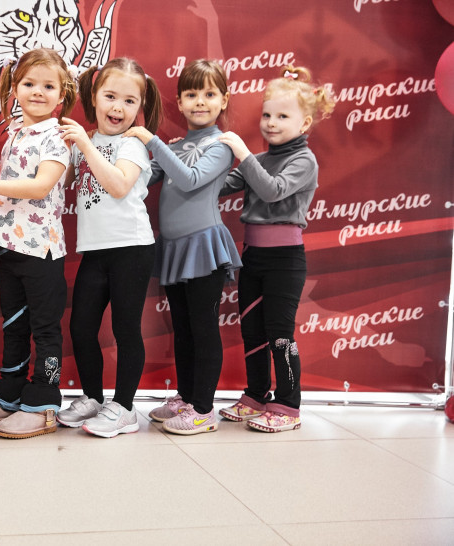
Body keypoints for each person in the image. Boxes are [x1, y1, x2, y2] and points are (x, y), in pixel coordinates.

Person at [0, 48, 77, 439]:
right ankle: (9, 393)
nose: (37, 92)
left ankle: (43, 402)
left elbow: (41, 186)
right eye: (29, 83)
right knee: (13, 324)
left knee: (44, 328)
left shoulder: (57, 138)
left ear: (62, 95)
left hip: (41, 250)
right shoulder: (16, 131)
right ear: (14, 89)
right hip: (8, 244)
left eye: (48, 86)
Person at [124, 59, 242, 435]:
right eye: (191, 94)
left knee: (203, 328)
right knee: (184, 328)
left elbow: (190, 179)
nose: (200, 101)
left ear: (224, 100)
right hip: (174, 247)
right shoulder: (179, 145)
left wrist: (153, 142)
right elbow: (144, 177)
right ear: (179, 101)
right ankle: (187, 397)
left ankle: (203, 409)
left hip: (204, 245)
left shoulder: (221, 145)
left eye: (209, 94)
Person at [217, 65, 335, 432]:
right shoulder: (260, 159)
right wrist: (193, 159)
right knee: (252, 332)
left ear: (305, 123)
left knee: (280, 335)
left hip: (285, 261)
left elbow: (272, 190)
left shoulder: (304, 160)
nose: (271, 123)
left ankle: (288, 404)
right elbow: (220, 186)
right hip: (252, 257)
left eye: (282, 116)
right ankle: (256, 395)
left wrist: (242, 153)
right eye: (267, 115)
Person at [55, 58, 163, 438]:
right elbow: (63, 180)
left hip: (131, 248)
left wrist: (85, 145)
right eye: (110, 96)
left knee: (125, 329)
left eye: (129, 101)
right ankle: (92, 398)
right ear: (94, 97)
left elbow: (118, 185)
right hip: (95, 250)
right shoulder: (86, 140)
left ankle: (125, 408)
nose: (118, 107)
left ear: (140, 107)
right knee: (81, 326)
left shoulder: (132, 144)